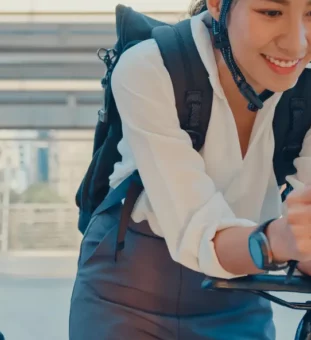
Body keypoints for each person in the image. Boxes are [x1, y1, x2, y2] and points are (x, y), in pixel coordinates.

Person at [69, 0, 311, 339]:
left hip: (239, 293)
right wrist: (282, 239)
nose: (297, 44)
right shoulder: (149, 67)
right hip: (128, 292)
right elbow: (200, 228)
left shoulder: (308, 89)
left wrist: (300, 242)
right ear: (216, 4)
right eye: (271, 12)